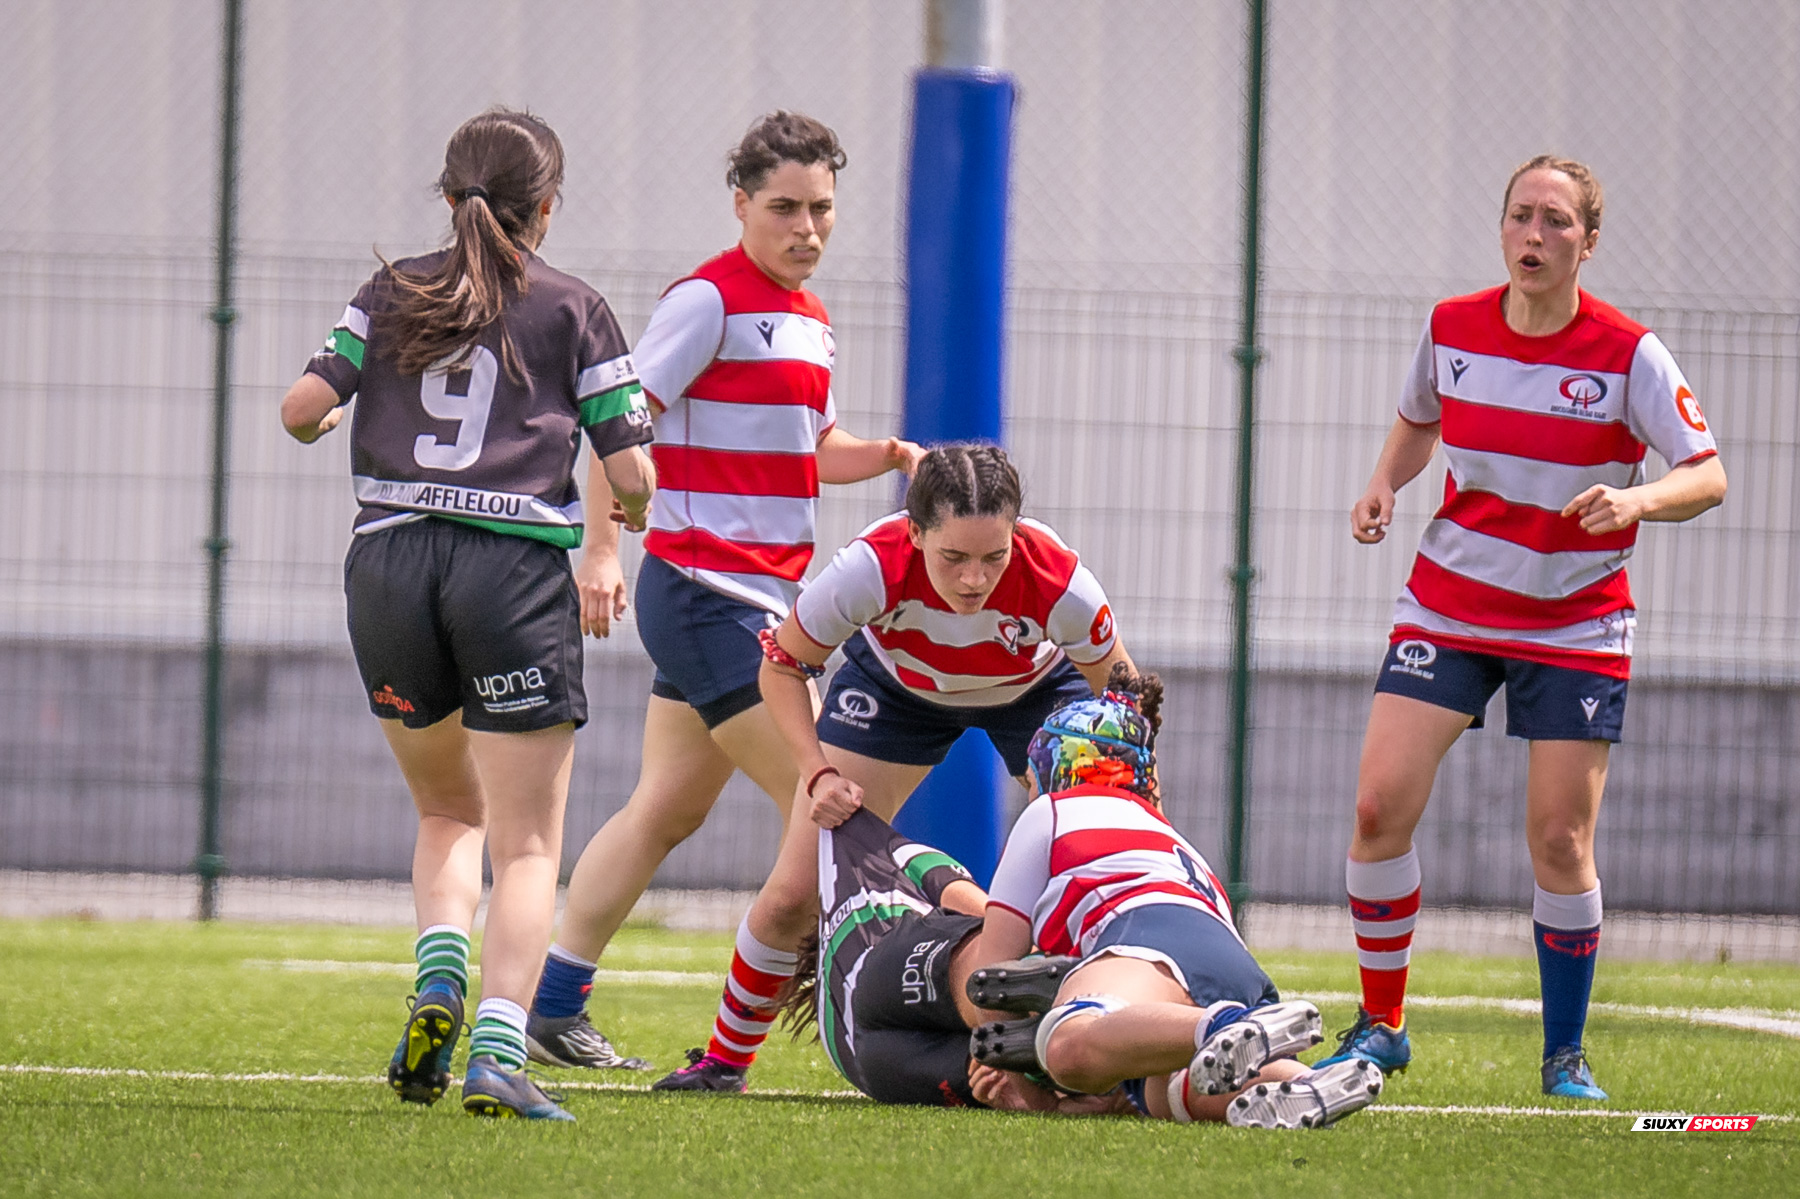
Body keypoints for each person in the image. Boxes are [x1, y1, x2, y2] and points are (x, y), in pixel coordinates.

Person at [523, 112, 924, 1076]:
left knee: (664, 806)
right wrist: (603, 552)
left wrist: (892, 456)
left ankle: (551, 1003)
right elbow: (616, 422)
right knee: (830, 799)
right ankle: (891, 1010)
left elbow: (812, 450)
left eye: (822, 209)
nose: (807, 228)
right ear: (741, 204)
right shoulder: (706, 300)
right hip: (705, 595)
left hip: (763, 604)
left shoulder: (815, 320)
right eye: (784, 207)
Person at [1319, 155, 1727, 1101]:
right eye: (1519, 217)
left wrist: (1640, 504)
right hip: (1450, 601)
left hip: (1575, 621)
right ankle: (1382, 1027)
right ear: (1501, 229)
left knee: (1557, 840)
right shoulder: (1451, 327)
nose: (1533, 235)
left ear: (1588, 239)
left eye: (1555, 220)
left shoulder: (1629, 352)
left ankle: (1564, 1055)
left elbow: (1706, 472)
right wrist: (1386, 480)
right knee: (1378, 807)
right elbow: (1420, 418)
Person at [279, 108, 655, 1121]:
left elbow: (301, 408)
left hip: (389, 563)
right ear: (546, 208)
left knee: (448, 810)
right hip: (511, 571)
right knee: (527, 843)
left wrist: (329, 425)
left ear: (449, 200)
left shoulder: (388, 288)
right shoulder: (575, 308)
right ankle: (496, 1047)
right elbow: (628, 468)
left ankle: (437, 975)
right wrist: (627, 525)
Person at [657, 442, 1135, 1092]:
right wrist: (815, 772)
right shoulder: (868, 568)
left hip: (1036, 697)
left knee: (1098, 871)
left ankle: (1118, 1041)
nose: (974, 579)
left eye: (994, 557)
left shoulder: (1059, 579)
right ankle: (722, 1061)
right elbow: (781, 664)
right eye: (953, 558)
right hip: (896, 694)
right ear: (914, 532)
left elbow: (1126, 694)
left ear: (1016, 536)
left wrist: (1129, 791)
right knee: (795, 891)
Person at [796, 667, 1383, 1128]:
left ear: (1049, 766)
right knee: (1156, 1084)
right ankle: (1296, 1082)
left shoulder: (1049, 813)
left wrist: (1015, 1064)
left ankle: (1217, 1027)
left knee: (1069, 1044)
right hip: (1232, 964)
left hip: (1143, 943)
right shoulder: (1172, 837)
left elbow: (992, 974)